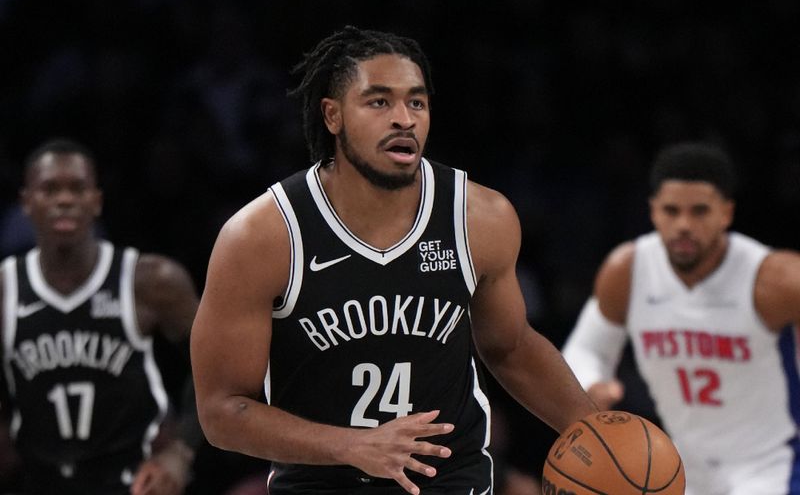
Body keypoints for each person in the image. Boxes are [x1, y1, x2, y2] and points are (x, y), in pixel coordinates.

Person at [190, 25, 596, 495]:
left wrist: (594, 428)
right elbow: (221, 411)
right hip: (319, 484)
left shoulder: (480, 217)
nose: (403, 118)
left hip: (451, 479)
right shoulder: (263, 236)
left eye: (416, 102)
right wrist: (352, 445)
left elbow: (510, 347)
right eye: (379, 102)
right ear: (333, 115)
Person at [562, 141, 800, 495]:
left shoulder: (775, 279)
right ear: (653, 211)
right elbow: (584, 351)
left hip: (771, 466)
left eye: (700, 211)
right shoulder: (627, 270)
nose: (683, 225)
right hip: (680, 468)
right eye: (671, 211)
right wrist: (592, 382)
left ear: (727, 213)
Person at [0, 138, 202, 495]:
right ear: (26, 202)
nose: (64, 200)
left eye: (77, 188)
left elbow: (219, 369)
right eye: (49, 189)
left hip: (133, 481)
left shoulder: (150, 280)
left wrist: (180, 451)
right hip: (35, 481)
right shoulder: (6, 288)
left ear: (96, 201)